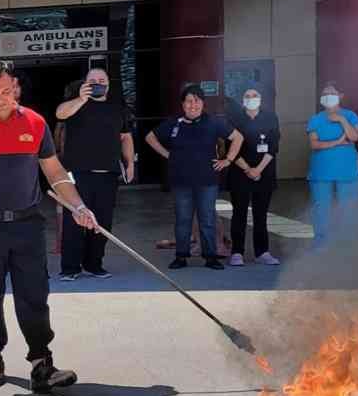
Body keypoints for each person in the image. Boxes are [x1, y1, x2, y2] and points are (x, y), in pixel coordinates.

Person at [0, 60, 95, 390]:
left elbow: (54, 173)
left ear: (16, 89)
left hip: (27, 225)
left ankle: (42, 364)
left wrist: (78, 205)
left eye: (6, 91)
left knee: (34, 295)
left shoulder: (36, 123)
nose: (0, 98)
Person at [146, 85, 241, 270]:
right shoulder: (174, 123)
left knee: (207, 219)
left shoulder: (213, 122)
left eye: (197, 100)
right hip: (181, 181)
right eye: (189, 100)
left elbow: (238, 137)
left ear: (202, 103)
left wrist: (228, 160)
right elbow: (150, 137)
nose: (193, 104)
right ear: (183, 104)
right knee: (183, 220)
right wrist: (168, 155)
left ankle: (210, 256)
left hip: (207, 181)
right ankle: (181, 256)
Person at [53, 66, 135, 280]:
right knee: (74, 221)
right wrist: (81, 99)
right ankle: (70, 268)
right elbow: (59, 113)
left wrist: (130, 163)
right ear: (85, 84)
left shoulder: (117, 108)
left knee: (102, 223)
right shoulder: (75, 104)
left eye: (101, 79)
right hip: (78, 173)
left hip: (108, 173)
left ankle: (94, 264)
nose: (98, 83)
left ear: (108, 84)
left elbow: (126, 137)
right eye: (92, 80)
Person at [227, 87, 281, 267]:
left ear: (261, 98)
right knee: (239, 213)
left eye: (255, 95)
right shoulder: (234, 118)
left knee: (261, 214)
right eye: (247, 96)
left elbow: (273, 146)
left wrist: (258, 169)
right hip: (240, 172)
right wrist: (248, 169)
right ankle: (236, 252)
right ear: (242, 100)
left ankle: (262, 252)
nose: (251, 98)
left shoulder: (271, 118)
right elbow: (230, 148)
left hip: (264, 172)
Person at [305, 82, 358, 247]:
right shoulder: (316, 119)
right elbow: (314, 144)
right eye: (325, 94)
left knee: (349, 209)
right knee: (322, 210)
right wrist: (337, 141)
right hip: (321, 171)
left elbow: (353, 137)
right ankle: (321, 247)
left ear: (340, 96)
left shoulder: (350, 116)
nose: (328, 97)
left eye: (332, 93)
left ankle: (347, 247)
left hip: (347, 171)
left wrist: (341, 119)